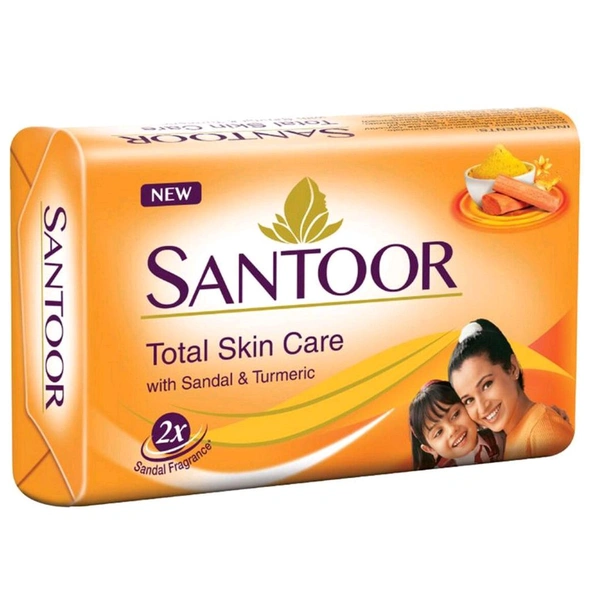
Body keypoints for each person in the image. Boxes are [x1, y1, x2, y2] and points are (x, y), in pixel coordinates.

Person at [448, 318, 574, 461]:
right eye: (469, 400)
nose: (482, 408)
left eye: (486, 385)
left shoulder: (544, 431)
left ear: (512, 368)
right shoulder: (510, 438)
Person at [409, 379, 503, 469]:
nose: (452, 430)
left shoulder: (500, 437)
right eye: (439, 432)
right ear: (430, 449)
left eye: (455, 415)